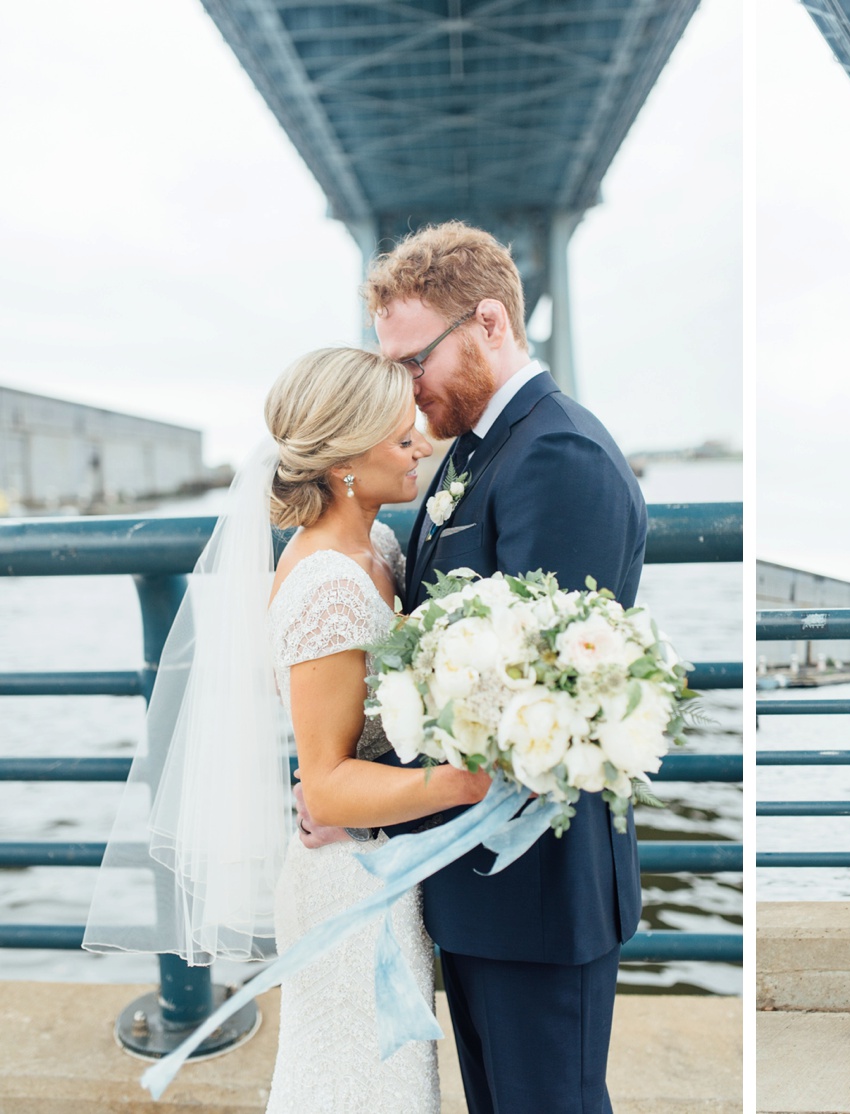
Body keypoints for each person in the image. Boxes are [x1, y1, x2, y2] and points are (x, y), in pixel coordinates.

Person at [300, 221, 649, 1114]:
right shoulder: (474, 449)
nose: (405, 393)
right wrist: (352, 787)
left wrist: (356, 797)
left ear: (488, 323)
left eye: (413, 362)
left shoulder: (556, 453)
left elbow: (543, 699)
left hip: (536, 889)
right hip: (473, 879)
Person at [85, 347, 492, 1111]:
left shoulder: (379, 549)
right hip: (347, 884)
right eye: (400, 439)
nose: (420, 448)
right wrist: (473, 781)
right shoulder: (329, 586)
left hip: (385, 866)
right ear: (343, 460)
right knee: (360, 1086)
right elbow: (330, 786)